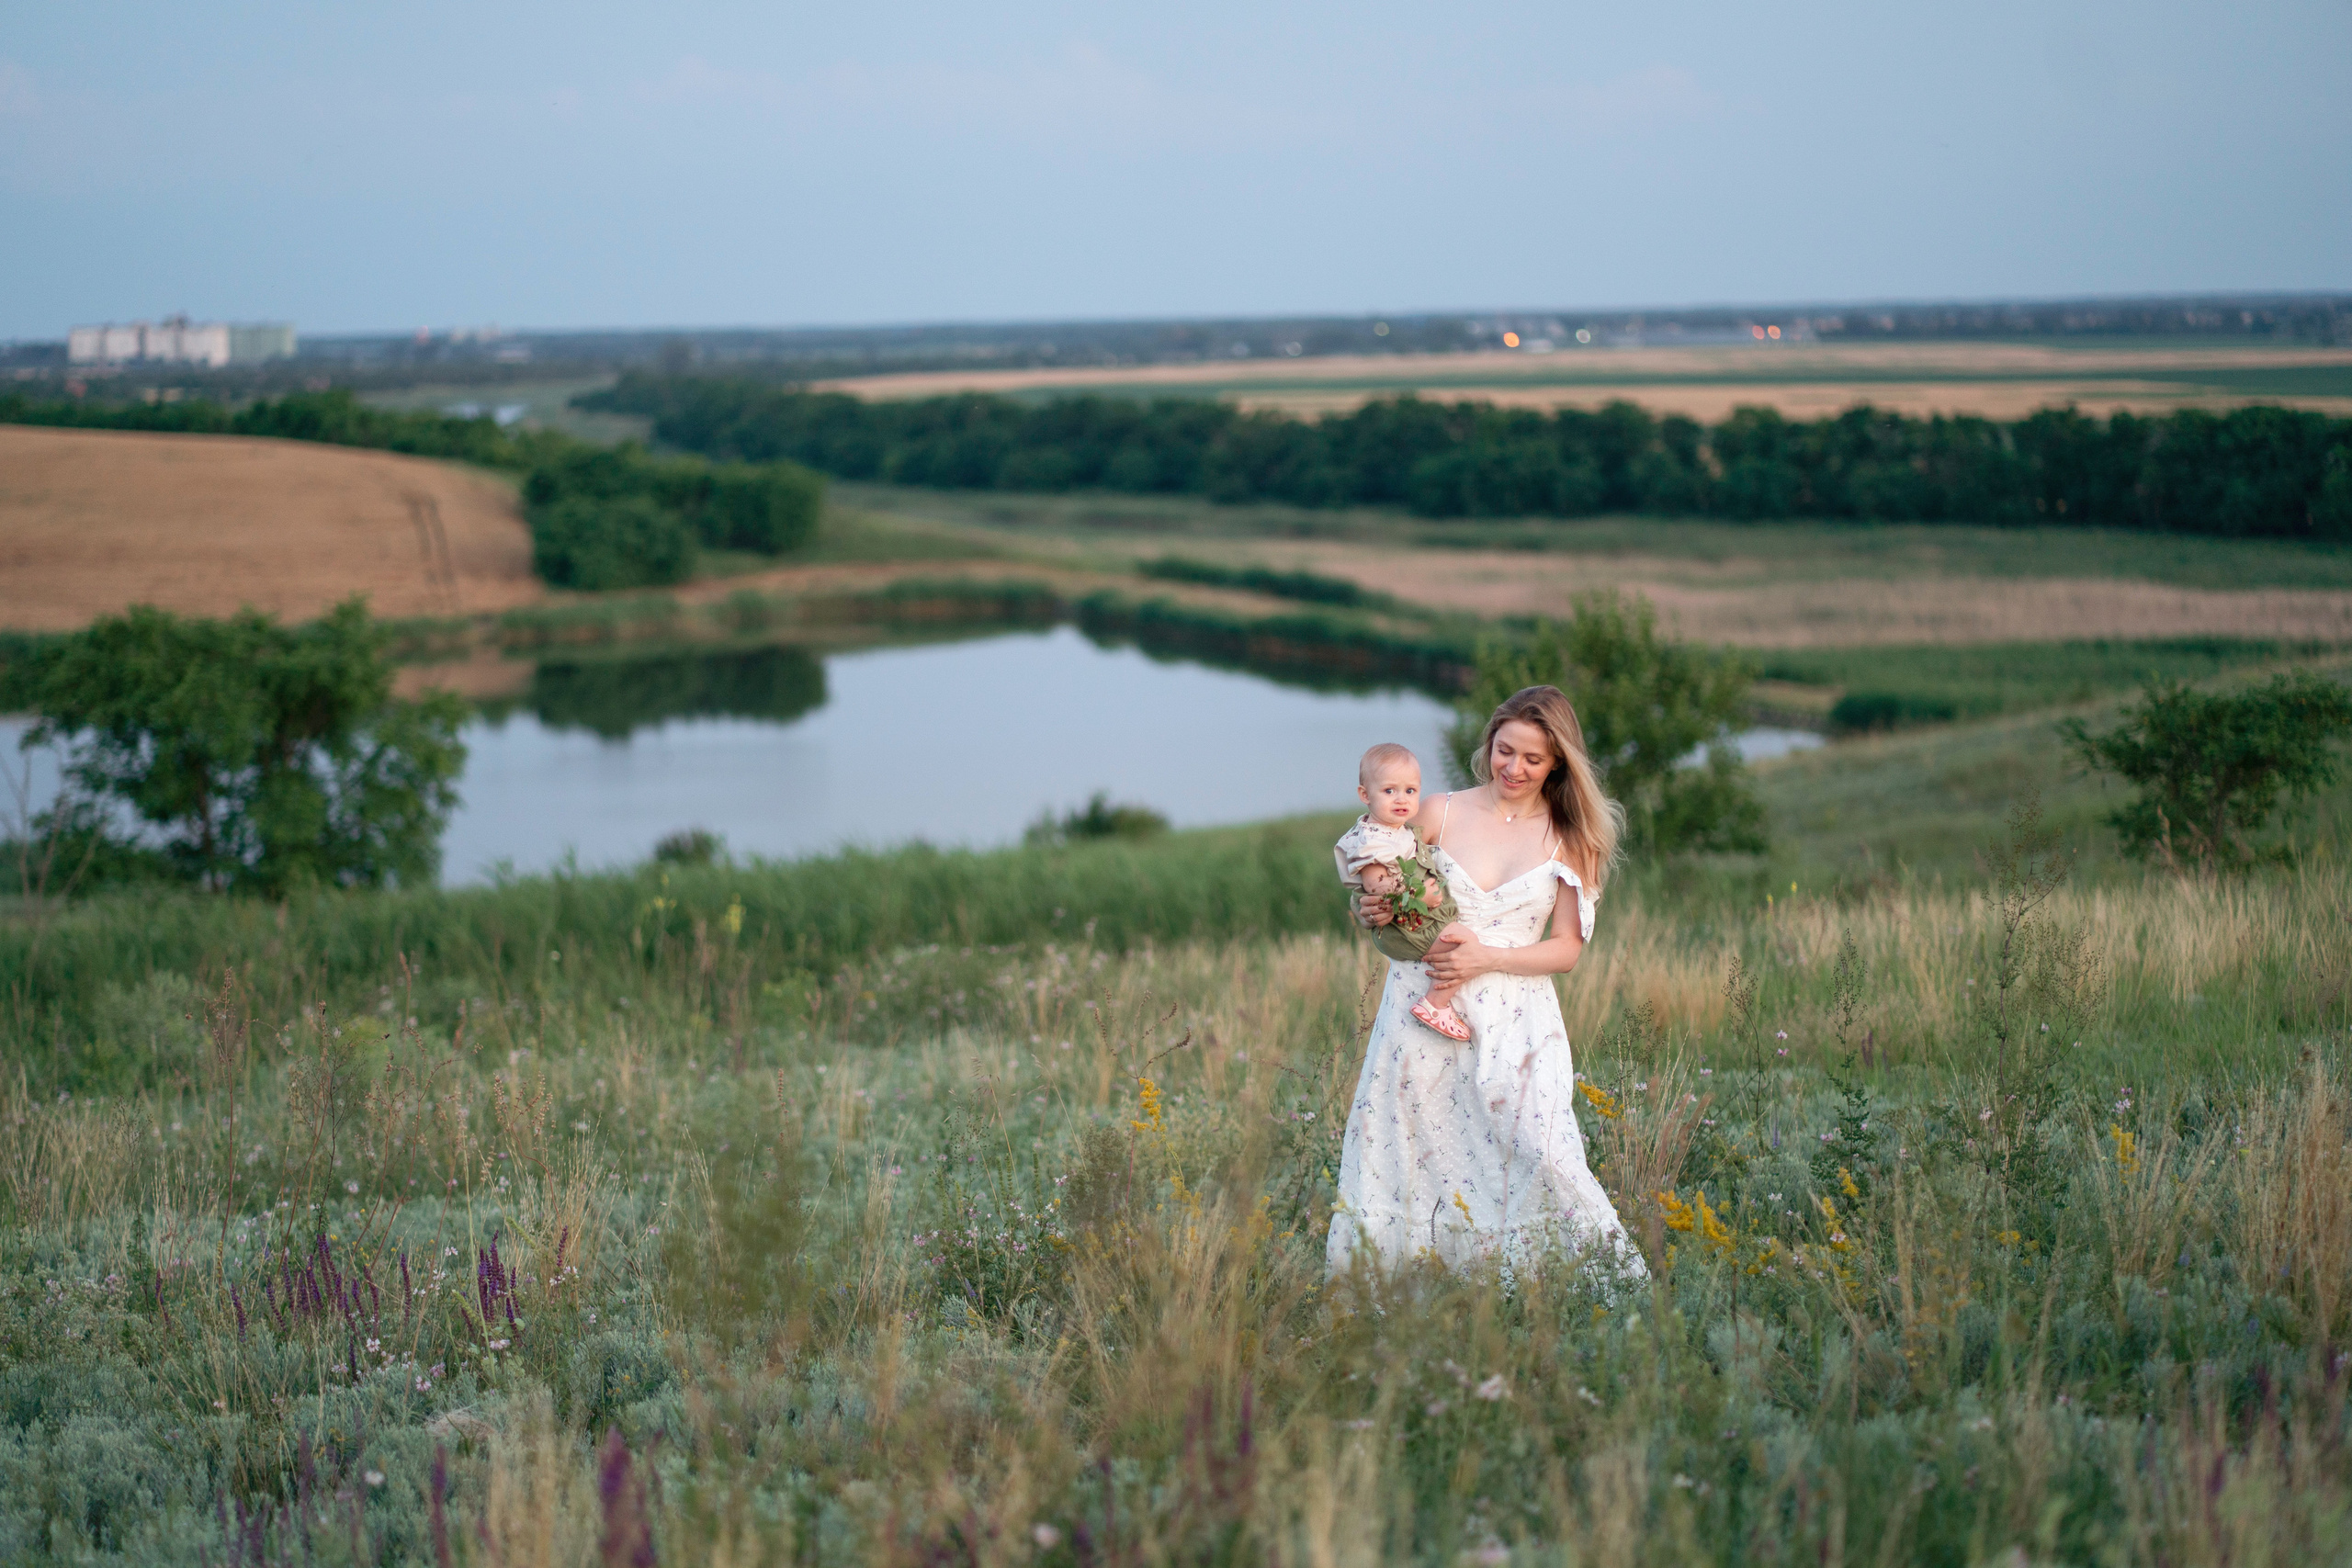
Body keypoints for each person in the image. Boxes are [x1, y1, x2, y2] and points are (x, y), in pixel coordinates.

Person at [1326, 685, 1646, 1278]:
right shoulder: (1436, 810)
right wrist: (1368, 911)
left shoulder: (1572, 838)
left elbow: (1567, 950)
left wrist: (1487, 958)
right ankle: (1405, 1300)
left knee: (1541, 1152)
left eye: (1533, 758)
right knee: (1413, 1156)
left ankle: (1569, 1290)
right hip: (1418, 1011)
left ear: (1557, 765)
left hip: (1517, 1019)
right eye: (1505, 750)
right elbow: (1381, 886)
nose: (1514, 768)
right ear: (1489, 743)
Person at [1332, 743, 1475, 1041]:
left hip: (1414, 923)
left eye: (1410, 791)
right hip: (1405, 929)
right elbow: (1379, 888)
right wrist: (1421, 896)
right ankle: (1435, 1005)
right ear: (1364, 795)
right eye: (1389, 791)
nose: (1402, 799)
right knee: (1464, 946)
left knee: (1462, 942)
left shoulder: (1394, 830)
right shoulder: (1371, 841)